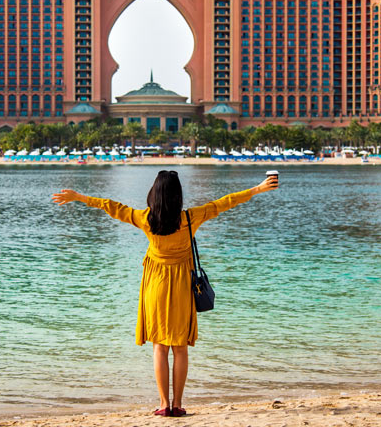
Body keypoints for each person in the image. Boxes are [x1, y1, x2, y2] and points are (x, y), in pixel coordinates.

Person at [51, 171, 278, 417]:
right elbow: (225, 202)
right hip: (181, 285)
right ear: (178, 196)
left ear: (154, 194)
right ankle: (178, 405)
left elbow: (113, 207)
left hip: (155, 284)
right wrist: (257, 188)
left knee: (160, 346)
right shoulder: (190, 218)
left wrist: (79, 197)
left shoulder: (145, 219)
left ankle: (162, 405)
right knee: (179, 347)